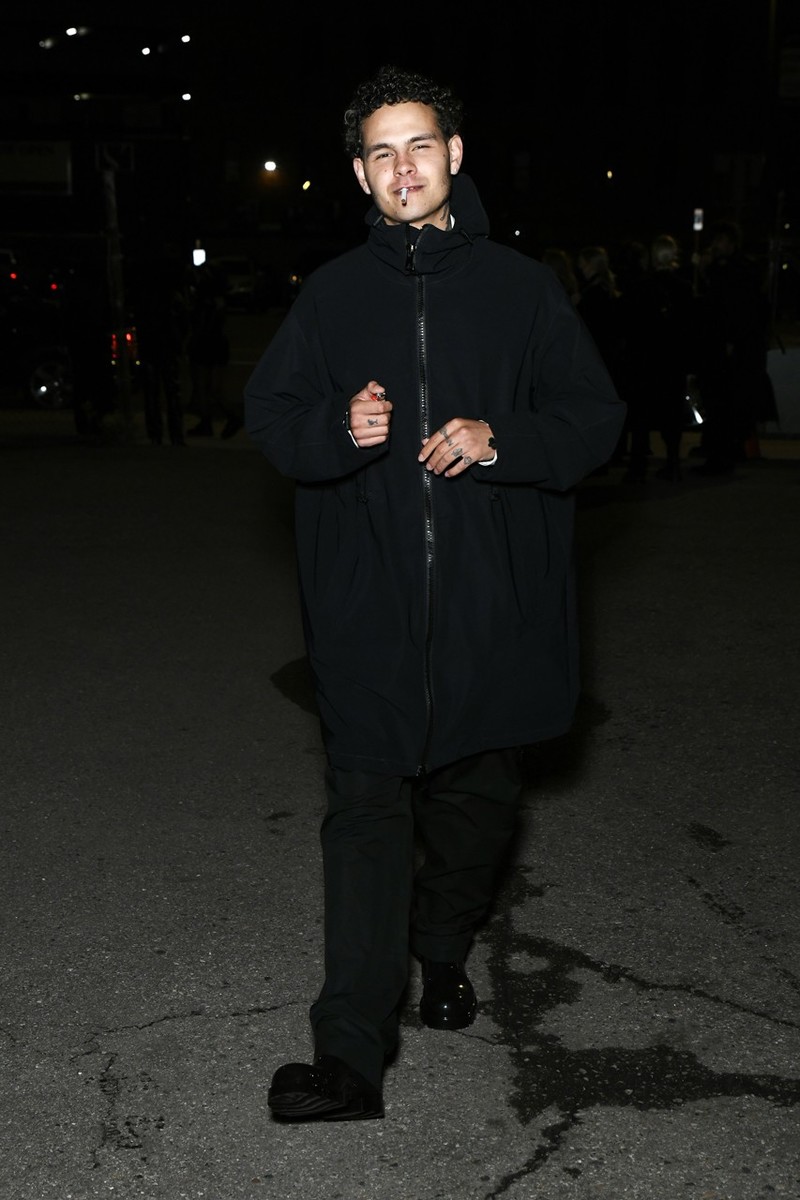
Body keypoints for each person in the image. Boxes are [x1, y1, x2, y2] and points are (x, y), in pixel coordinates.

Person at [244, 64, 626, 1123]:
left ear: (454, 154)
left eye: (419, 145)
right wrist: (337, 428)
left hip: (488, 611)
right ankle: (348, 1058)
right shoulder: (331, 296)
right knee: (364, 818)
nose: (402, 168)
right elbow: (272, 416)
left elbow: (594, 420)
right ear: (358, 173)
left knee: (474, 815)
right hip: (366, 609)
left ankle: (442, 946)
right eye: (381, 152)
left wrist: (503, 440)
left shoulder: (521, 289)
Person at [692, 220, 771, 474]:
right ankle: (726, 448)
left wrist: (730, 341)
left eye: (721, 241)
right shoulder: (735, 269)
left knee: (723, 401)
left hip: (730, 347)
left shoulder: (735, 271)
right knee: (725, 401)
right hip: (731, 345)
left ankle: (722, 453)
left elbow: (730, 308)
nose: (716, 246)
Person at [620, 234, 697, 482]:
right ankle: (672, 462)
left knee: (641, 413)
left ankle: (638, 465)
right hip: (672, 359)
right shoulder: (684, 287)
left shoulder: (641, 286)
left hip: (645, 358)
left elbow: (630, 325)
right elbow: (689, 328)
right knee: (671, 413)